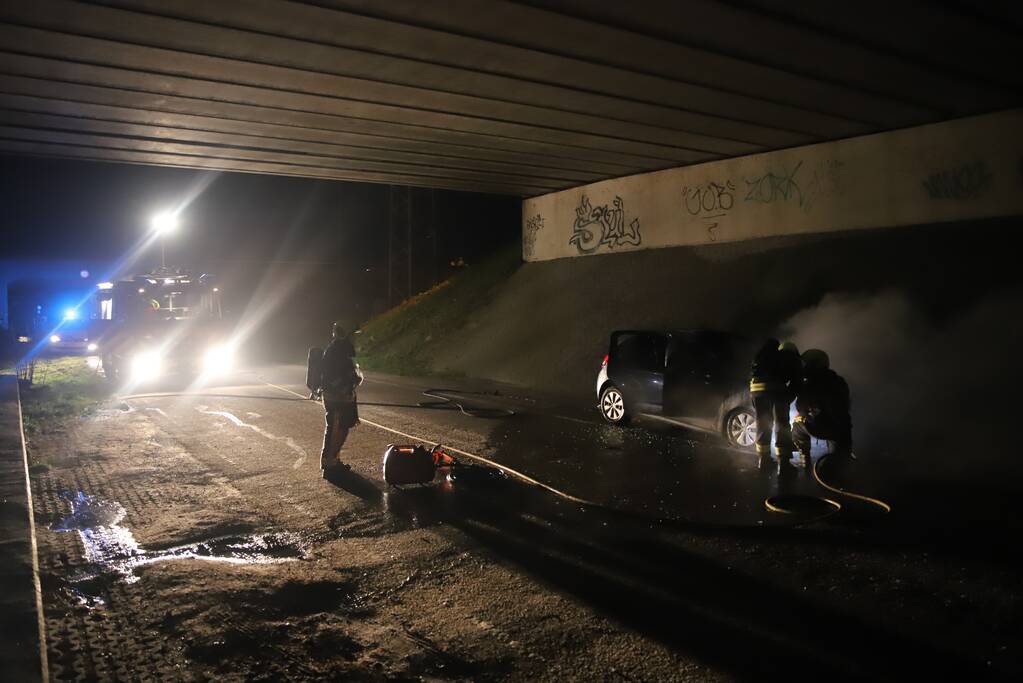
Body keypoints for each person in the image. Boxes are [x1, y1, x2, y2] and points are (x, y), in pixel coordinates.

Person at [792, 349, 852, 471]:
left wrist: (809, 416)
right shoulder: (838, 380)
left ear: (812, 365)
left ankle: (805, 456)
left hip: (824, 427)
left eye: (805, 364)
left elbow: (800, 407)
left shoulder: (810, 384)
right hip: (843, 432)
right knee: (839, 467)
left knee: (797, 421)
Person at [749, 339, 803, 473]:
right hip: (776, 389)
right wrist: (787, 399)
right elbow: (797, 382)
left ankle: (763, 461)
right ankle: (783, 464)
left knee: (763, 423)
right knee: (782, 423)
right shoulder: (791, 357)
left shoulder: (767, 356)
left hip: (756, 389)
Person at [319, 322, 361, 477]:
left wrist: (353, 379)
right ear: (345, 335)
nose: (354, 340)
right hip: (336, 397)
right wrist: (342, 387)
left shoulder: (341, 350)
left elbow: (348, 371)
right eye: (352, 336)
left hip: (343, 396)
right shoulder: (335, 350)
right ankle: (329, 463)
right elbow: (329, 375)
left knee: (341, 428)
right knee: (336, 428)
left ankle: (334, 460)